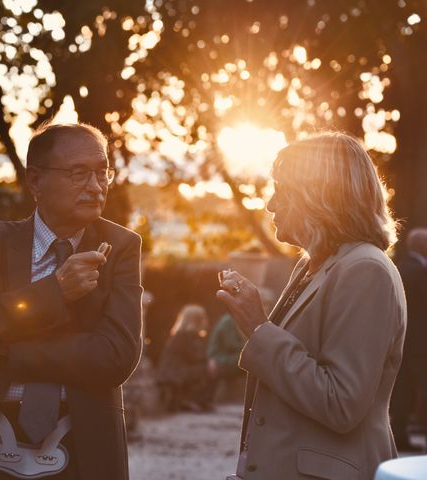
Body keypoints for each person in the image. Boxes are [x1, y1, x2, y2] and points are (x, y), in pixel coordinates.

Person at [0, 122, 143, 480]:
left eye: (103, 173)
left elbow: (116, 356)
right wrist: (53, 293)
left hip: (81, 445)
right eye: (78, 173)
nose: (95, 186)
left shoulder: (120, 247)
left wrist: (9, 351)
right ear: (36, 180)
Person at [217, 132, 406, 480]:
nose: (271, 204)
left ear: (318, 196)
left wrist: (259, 328)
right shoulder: (312, 265)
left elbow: (341, 403)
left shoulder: (365, 270)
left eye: (281, 190)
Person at [390, 227, 427, 451]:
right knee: (414, 386)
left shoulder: (403, 267)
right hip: (419, 342)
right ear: (420, 245)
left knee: (403, 388)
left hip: (407, 339)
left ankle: (401, 434)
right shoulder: (417, 271)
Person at [157, 304, 214, 412]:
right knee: (207, 369)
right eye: (203, 317)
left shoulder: (184, 334)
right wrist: (209, 362)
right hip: (173, 372)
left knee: (207, 368)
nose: (206, 320)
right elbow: (194, 356)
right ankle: (192, 401)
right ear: (196, 320)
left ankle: (197, 401)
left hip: (176, 370)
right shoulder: (186, 335)